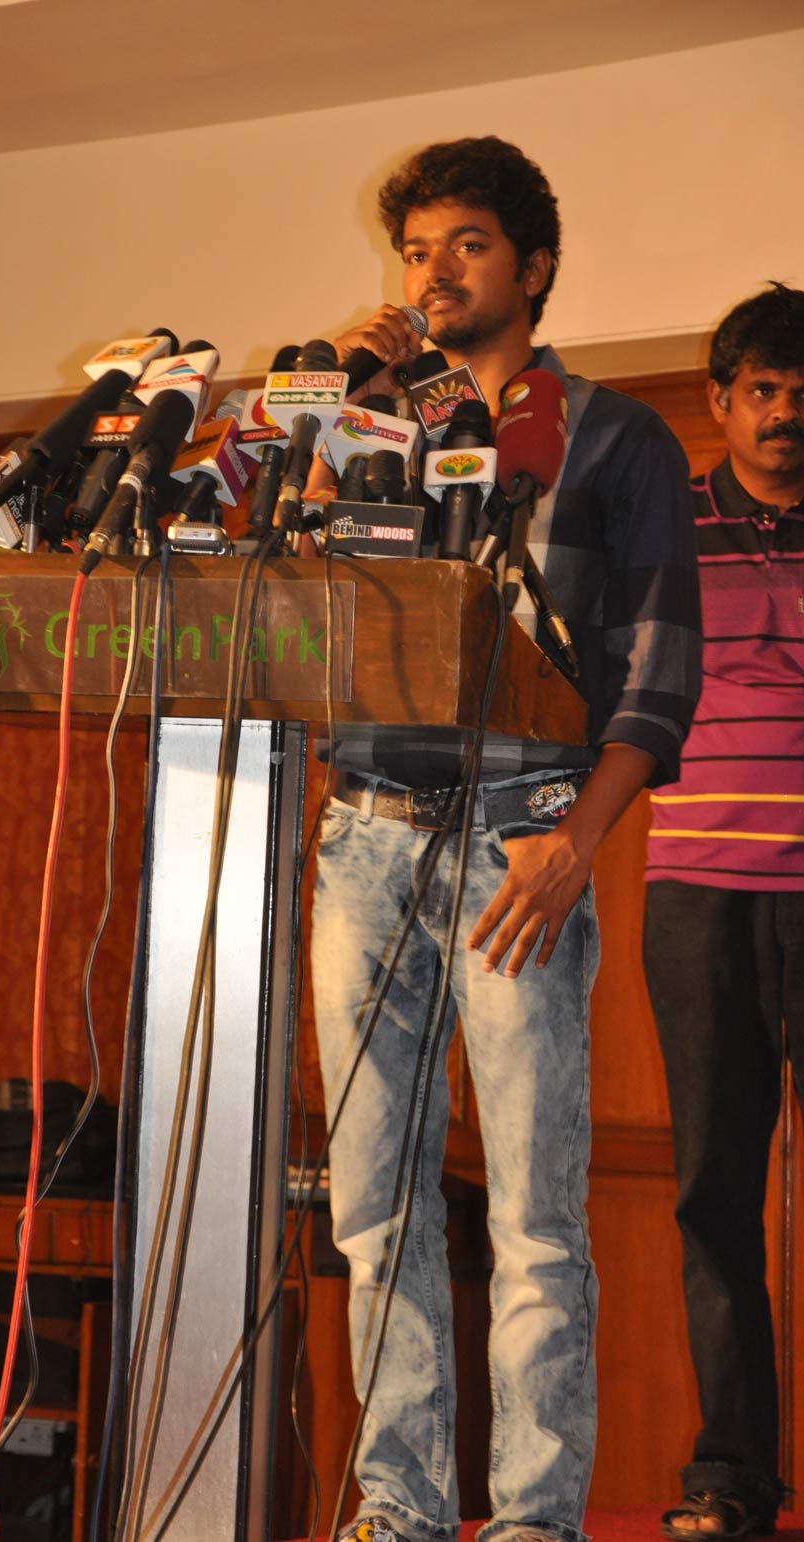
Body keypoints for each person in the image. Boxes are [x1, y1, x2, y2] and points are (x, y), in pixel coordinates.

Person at [309, 136, 702, 1542]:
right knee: (373, 1212)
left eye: (463, 245)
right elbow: (291, 609)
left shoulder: (616, 437)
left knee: (533, 1216)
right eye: (415, 251)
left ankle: (532, 1520)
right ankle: (399, 1510)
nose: (431, 274)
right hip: (364, 833)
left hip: (523, 840)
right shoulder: (369, 427)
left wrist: (575, 843)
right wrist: (330, 408)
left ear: (531, 268)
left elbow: (657, 678)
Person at [642, 284, 804, 1541]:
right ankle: (731, 1478)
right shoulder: (665, 529)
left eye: (803, 395)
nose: (784, 412)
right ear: (720, 400)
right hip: (696, 896)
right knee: (711, 1194)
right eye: (762, 390)